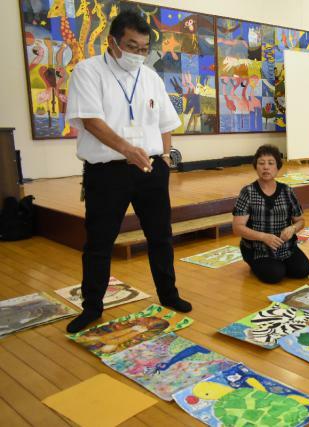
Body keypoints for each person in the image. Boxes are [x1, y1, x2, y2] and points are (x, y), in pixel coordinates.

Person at [64, 11, 191, 333]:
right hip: (107, 172)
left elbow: (165, 123)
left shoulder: (150, 77)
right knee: (100, 242)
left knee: (160, 236)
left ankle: (169, 293)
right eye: (131, 46)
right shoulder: (88, 71)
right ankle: (92, 306)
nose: (137, 54)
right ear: (112, 41)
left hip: (150, 169)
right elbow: (91, 120)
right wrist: (126, 150)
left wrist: (162, 157)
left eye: (143, 48)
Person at [232, 145, 309, 284]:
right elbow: (237, 227)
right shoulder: (248, 192)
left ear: (278, 167)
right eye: (261, 163)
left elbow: (300, 221)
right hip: (258, 249)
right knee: (275, 275)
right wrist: (263, 237)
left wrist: (292, 229)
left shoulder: (287, 191)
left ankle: (279, 263)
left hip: (285, 247)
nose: (266, 167)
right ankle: (255, 262)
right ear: (256, 166)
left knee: (303, 270)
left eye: (271, 163)